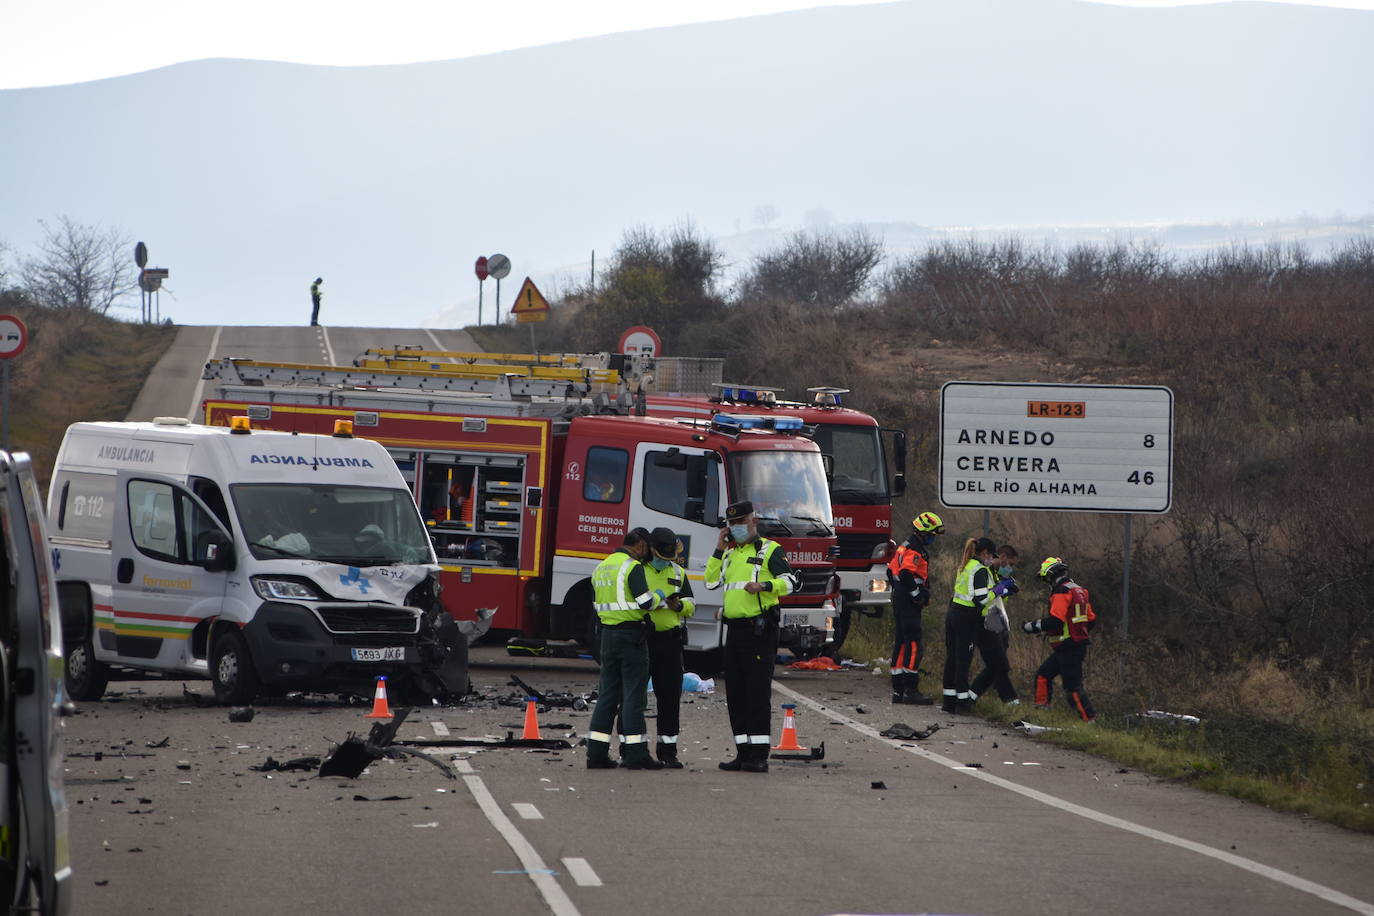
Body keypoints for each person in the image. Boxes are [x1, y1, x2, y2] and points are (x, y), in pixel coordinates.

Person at [704, 500, 799, 773]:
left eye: (741, 522)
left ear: (753, 520)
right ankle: (742, 753)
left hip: (759, 631)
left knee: (756, 693)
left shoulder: (770, 550)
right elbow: (711, 581)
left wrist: (765, 585)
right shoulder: (731, 554)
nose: (736, 528)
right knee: (736, 694)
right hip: (734, 631)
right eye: (731, 524)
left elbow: (791, 583)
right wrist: (718, 549)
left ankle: (758, 755)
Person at [585, 528, 665, 770]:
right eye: (646, 549)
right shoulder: (632, 567)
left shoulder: (602, 567)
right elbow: (646, 602)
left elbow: (596, 604)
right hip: (631, 637)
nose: (647, 554)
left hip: (607, 637)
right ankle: (636, 754)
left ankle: (596, 754)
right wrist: (660, 595)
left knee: (607, 695)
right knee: (633, 696)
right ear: (639, 544)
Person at [1021, 556, 1097, 721]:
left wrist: (1032, 626)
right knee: (1043, 676)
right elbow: (1091, 620)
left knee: (1072, 688)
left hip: (1069, 646)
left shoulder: (1061, 591)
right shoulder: (1079, 590)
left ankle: (1089, 721)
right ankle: (1041, 714)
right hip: (1070, 646)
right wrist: (1077, 632)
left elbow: (1055, 620)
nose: (1046, 582)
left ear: (1051, 575)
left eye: (1046, 578)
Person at [644, 527, 695, 768]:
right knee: (633, 697)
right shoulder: (638, 570)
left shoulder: (678, 571)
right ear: (652, 550)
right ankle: (631, 749)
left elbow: (691, 604)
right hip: (643, 639)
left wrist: (678, 607)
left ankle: (668, 751)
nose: (666, 562)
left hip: (670, 641)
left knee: (670, 698)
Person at [887, 511, 945, 704]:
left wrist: (900, 592)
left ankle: (898, 690)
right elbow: (905, 574)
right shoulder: (915, 550)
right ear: (923, 532)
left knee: (901, 643)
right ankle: (911, 690)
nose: (933, 539)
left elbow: (890, 571)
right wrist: (917, 595)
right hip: (908, 602)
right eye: (932, 535)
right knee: (913, 644)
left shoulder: (904, 546)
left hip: (899, 599)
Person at [942, 536, 998, 714]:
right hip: (966, 618)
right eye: (991, 556)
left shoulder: (965, 565)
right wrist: (998, 591)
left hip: (954, 613)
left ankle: (948, 702)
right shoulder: (980, 569)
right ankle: (963, 704)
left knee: (952, 658)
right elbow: (981, 599)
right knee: (963, 660)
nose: (992, 559)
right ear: (985, 553)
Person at [969, 544, 1021, 706]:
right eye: (1010, 564)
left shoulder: (995, 573)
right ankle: (1011, 701)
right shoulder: (985, 569)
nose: (1010, 568)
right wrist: (1001, 589)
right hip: (984, 622)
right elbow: (984, 596)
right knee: (1000, 665)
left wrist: (1006, 591)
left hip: (994, 621)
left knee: (994, 665)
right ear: (1003, 557)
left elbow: (996, 598)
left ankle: (971, 696)